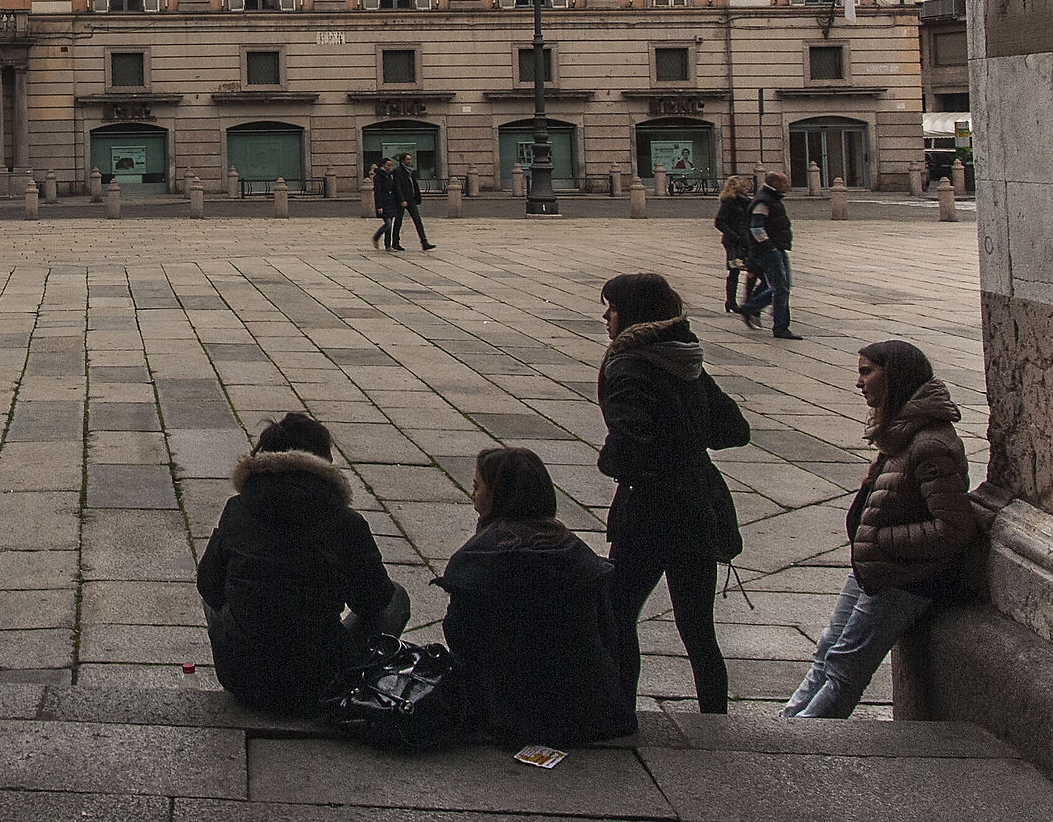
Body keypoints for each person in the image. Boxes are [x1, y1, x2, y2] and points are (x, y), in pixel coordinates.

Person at [784, 341, 976, 718]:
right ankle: (787, 726)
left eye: (867, 372)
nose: (859, 383)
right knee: (827, 652)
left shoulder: (931, 443)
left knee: (844, 667)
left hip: (903, 578)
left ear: (895, 377)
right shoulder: (900, 431)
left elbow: (953, 527)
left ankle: (798, 740)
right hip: (874, 568)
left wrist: (879, 540)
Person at [596, 272, 750, 715]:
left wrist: (612, 461)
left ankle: (621, 710)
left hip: (648, 512)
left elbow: (629, 443)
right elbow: (733, 428)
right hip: (697, 507)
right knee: (699, 630)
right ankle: (714, 719)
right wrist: (685, 439)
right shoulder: (683, 357)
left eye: (611, 307)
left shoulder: (629, 364)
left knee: (618, 615)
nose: (606, 316)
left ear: (632, 314)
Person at [198, 412, 409, 715]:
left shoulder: (237, 509)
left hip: (242, 678)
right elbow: (374, 600)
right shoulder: (345, 522)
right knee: (396, 597)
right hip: (319, 681)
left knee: (219, 588)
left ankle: (248, 652)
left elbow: (209, 586)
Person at [437, 447, 638, 747]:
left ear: (498, 496)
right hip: (591, 713)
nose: (472, 495)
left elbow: (462, 639)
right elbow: (609, 637)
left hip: (511, 715)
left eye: (478, 487)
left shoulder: (477, 558)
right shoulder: (576, 553)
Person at [741, 171, 799, 338]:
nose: (787, 186)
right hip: (769, 250)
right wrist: (769, 246)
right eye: (784, 183)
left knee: (783, 286)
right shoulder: (764, 201)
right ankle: (779, 326)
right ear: (775, 184)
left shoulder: (771, 199)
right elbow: (756, 227)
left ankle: (751, 308)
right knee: (781, 288)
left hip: (777, 248)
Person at [712, 177, 754, 313]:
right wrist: (735, 236)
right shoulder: (730, 202)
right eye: (745, 187)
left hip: (745, 241)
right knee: (735, 270)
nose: (747, 190)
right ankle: (731, 301)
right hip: (733, 243)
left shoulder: (744, 202)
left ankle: (744, 301)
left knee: (751, 269)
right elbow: (719, 222)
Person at [395, 153, 436, 251]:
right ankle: (395, 242)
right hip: (402, 199)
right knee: (398, 221)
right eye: (408, 159)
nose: (410, 161)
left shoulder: (411, 171)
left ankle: (424, 242)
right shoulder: (397, 171)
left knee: (417, 220)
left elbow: (414, 184)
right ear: (402, 160)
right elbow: (397, 186)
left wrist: (417, 197)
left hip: (411, 198)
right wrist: (401, 199)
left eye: (410, 159)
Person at [369, 155, 402, 251]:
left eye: (390, 165)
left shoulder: (390, 175)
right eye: (388, 165)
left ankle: (388, 245)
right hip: (383, 202)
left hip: (391, 201)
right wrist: (379, 206)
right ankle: (376, 237)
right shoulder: (378, 177)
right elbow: (378, 192)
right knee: (387, 223)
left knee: (390, 224)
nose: (389, 167)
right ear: (383, 165)